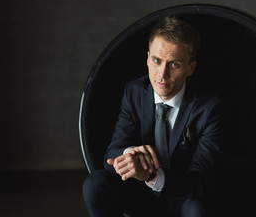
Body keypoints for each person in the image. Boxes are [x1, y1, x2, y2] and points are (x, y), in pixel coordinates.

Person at [83, 16, 225, 217]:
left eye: (174, 64)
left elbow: (200, 181)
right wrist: (130, 155)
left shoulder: (209, 108)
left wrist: (152, 174)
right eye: (157, 61)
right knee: (95, 184)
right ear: (148, 58)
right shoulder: (134, 92)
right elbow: (112, 154)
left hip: (183, 197)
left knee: (197, 209)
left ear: (190, 68)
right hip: (140, 197)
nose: (162, 74)